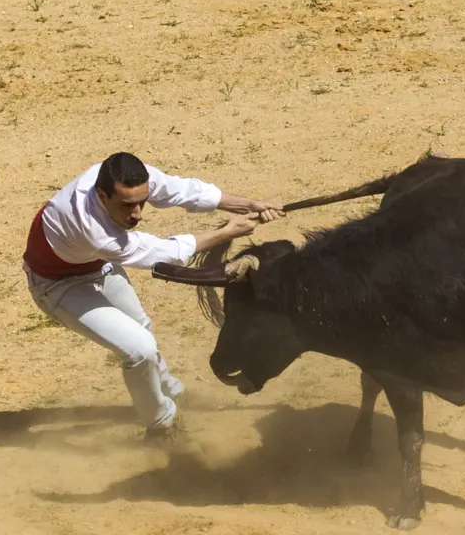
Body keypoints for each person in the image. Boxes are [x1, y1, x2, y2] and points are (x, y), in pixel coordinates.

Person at [22, 151, 283, 443]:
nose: (137, 214)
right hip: (57, 284)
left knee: (141, 327)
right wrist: (226, 232)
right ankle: (161, 426)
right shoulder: (91, 228)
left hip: (98, 264)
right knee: (138, 349)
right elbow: (162, 253)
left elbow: (182, 191)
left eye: (141, 202)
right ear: (101, 195)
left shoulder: (122, 177)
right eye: (127, 205)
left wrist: (248, 204)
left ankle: (171, 392)